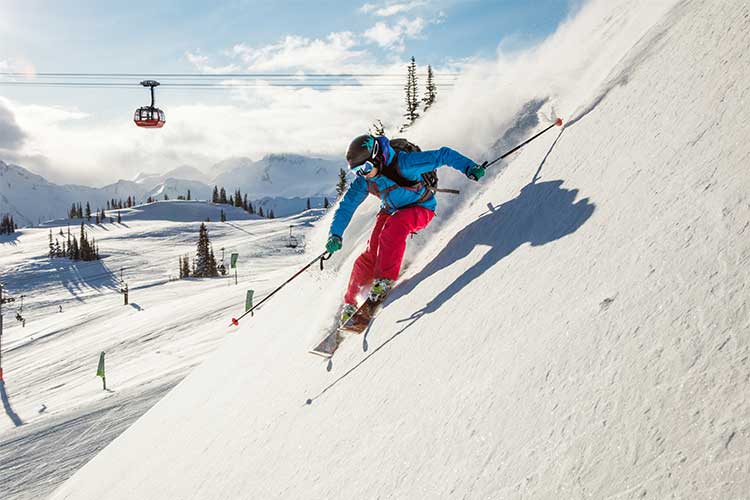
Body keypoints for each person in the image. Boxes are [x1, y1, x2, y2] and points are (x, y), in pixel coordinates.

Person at [326, 134, 486, 324]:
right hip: (391, 210)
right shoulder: (366, 180)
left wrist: (469, 168)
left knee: (395, 227)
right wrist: (334, 234)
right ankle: (351, 303)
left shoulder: (405, 163)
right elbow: (346, 206)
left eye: (366, 168)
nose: (363, 174)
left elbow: (443, 155)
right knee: (372, 250)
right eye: (357, 171)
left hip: (420, 207)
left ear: (376, 157)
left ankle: (384, 279)